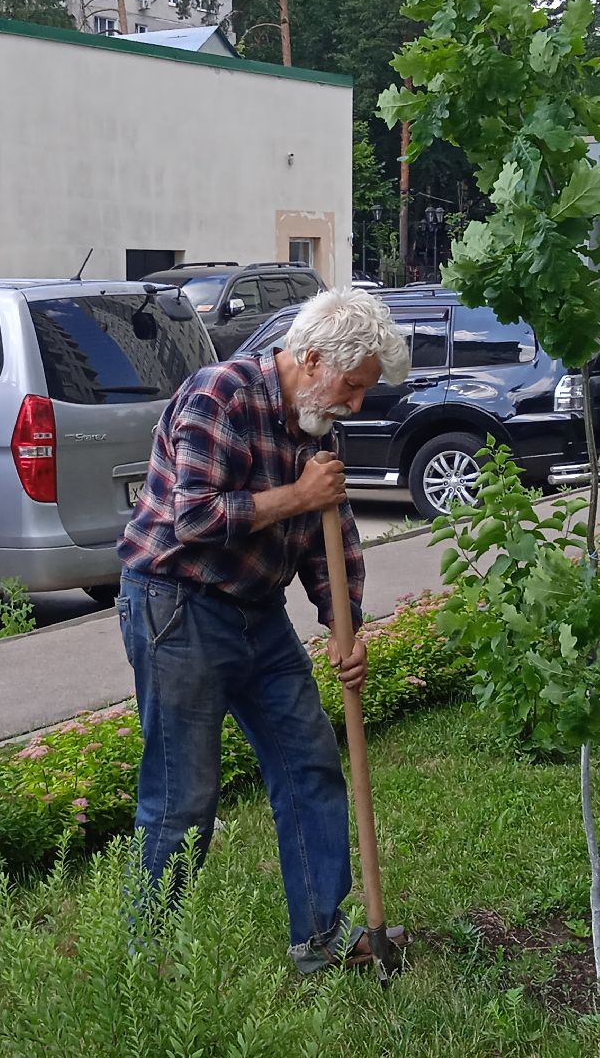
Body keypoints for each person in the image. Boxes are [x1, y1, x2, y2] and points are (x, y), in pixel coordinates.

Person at [116, 287, 410, 973]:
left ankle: (320, 939)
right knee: (182, 794)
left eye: (366, 392)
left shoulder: (315, 426)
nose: (356, 405)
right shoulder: (219, 395)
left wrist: (345, 625)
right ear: (310, 358)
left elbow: (328, 534)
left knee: (308, 763)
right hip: (178, 606)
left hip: (257, 613)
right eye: (353, 387)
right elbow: (192, 517)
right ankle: (146, 959)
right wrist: (298, 496)